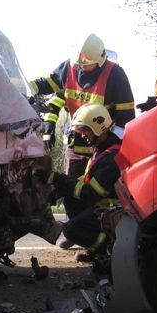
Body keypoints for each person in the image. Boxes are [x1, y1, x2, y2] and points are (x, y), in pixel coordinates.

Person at [30, 33, 134, 180]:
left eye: (85, 65)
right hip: (75, 146)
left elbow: (126, 118)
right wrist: (21, 88)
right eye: (78, 64)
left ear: (100, 60)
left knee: (97, 193)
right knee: (72, 192)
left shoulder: (115, 75)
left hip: (103, 148)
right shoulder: (69, 67)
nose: (80, 67)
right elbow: (46, 84)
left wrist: (112, 149)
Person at [36, 103, 122, 263]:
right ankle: (97, 244)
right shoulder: (102, 149)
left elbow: (89, 193)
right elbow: (84, 182)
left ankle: (108, 248)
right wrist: (60, 189)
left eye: (85, 130)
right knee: (69, 198)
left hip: (114, 212)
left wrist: (57, 179)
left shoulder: (111, 158)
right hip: (103, 205)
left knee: (71, 230)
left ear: (98, 128)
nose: (82, 135)